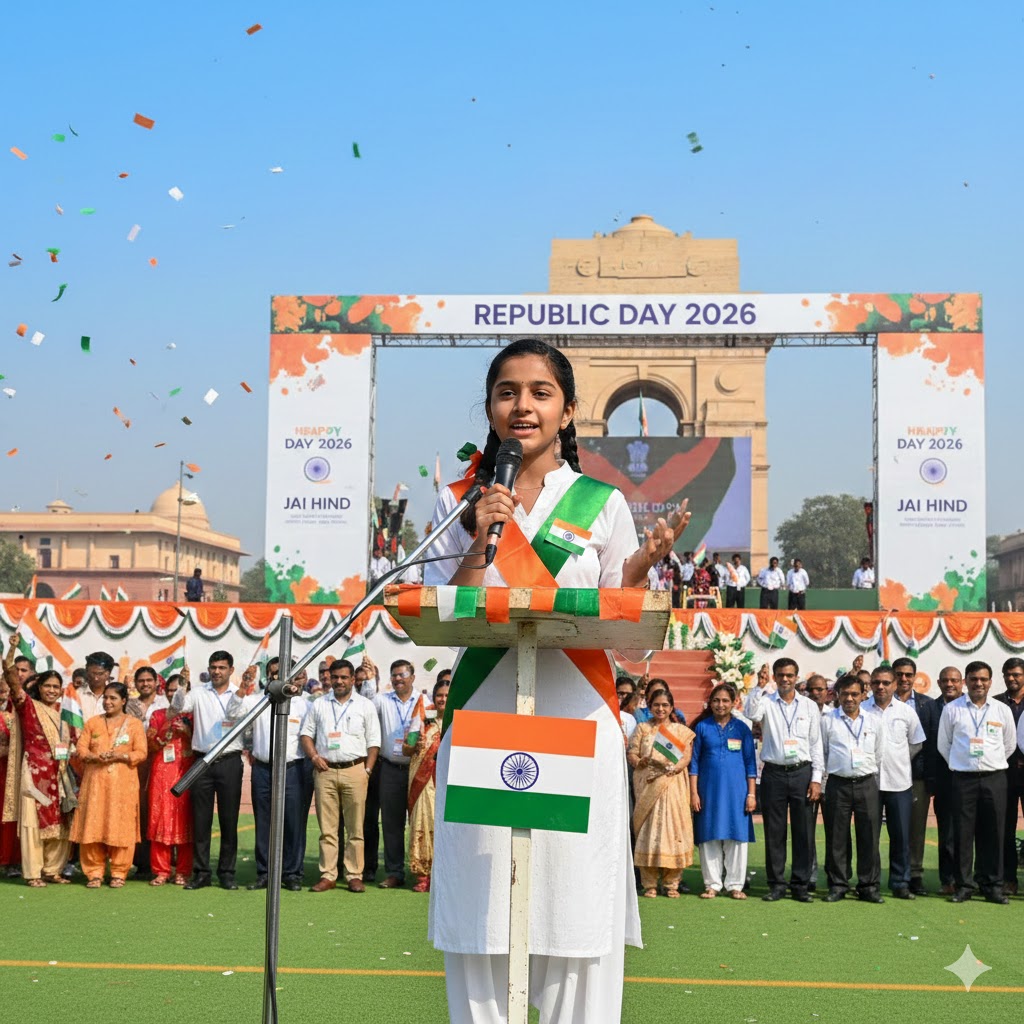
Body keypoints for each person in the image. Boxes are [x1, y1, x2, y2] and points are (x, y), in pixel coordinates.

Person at [424, 339, 685, 1024]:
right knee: (483, 909)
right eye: (507, 392)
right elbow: (442, 615)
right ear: (489, 406)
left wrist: (637, 574)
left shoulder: (601, 503)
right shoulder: (458, 500)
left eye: (541, 393)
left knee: (574, 908)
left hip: (577, 720)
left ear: (568, 411)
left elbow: (622, 630)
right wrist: (480, 536)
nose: (523, 406)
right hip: (483, 720)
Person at [938, 660, 1017, 903]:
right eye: (974, 679)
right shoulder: (952, 709)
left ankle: (992, 885)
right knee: (962, 834)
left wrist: (990, 762)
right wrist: (963, 763)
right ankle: (964, 885)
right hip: (964, 779)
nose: (978, 683)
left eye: (983, 679)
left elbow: (1009, 744)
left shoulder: (1001, 710)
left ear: (990, 682)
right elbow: (944, 744)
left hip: (995, 778)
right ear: (966, 682)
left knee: (994, 833)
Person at [745, 657, 823, 902]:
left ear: (797, 677)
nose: (785, 679)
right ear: (775, 677)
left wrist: (816, 779)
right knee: (774, 831)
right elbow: (750, 713)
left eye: (789, 675)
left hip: (802, 772)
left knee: (803, 831)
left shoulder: (809, 706)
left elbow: (816, 744)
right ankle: (776, 884)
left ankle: (800, 885)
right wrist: (759, 686)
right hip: (774, 773)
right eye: (781, 675)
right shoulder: (767, 701)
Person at [228, 657, 310, 892]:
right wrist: (244, 686)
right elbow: (233, 712)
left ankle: (292, 873)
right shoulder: (257, 701)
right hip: (263, 769)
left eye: (281, 672)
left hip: (293, 770)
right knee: (264, 823)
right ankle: (265, 872)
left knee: (293, 823)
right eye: (273, 673)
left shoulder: (304, 704)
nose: (277, 677)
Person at [170, 651, 247, 890]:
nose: (216, 672)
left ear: (231, 670)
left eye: (222, 668)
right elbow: (178, 707)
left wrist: (242, 692)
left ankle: (227, 873)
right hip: (202, 761)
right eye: (213, 667)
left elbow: (235, 714)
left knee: (229, 820)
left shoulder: (240, 694)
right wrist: (182, 684)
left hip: (229, 761)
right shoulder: (199, 693)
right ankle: (201, 873)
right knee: (200, 821)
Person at [301, 658, 379, 893]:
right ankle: (328, 874)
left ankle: (354, 874)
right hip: (325, 771)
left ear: (353, 679)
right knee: (328, 829)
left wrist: (367, 770)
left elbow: (374, 742)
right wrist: (314, 756)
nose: (339, 681)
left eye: (344, 677)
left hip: (355, 770)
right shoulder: (319, 704)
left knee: (356, 829)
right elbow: (306, 734)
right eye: (335, 677)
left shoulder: (365, 705)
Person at [3, 640, 74, 887]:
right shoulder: (28, 707)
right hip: (34, 774)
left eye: (56, 686)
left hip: (58, 774)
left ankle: (52, 870)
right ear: (39, 688)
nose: (52, 690)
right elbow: (12, 680)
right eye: (47, 686)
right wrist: (11, 651)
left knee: (60, 822)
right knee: (33, 823)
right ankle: (33, 872)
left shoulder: (63, 715)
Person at [70, 681, 148, 887]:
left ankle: (119, 873)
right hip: (95, 783)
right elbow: (81, 749)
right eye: (105, 697)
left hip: (123, 785)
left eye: (113, 698)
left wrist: (120, 756)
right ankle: (94, 872)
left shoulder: (134, 724)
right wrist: (94, 757)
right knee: (93, 825)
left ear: (123, 701)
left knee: (121, 825)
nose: (107, 702)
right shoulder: (93, 723)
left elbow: (141, 753)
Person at [820, 675, 884, 902]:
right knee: (837, 837)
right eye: (845, 694)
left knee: (869, 836)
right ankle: (838, 884)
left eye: (854, 694)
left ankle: (868, 886)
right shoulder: (828, 721)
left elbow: (878, 753)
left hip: (867, 783)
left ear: (863, 695)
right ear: (837, 695)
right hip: (838, 783)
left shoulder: (874, 721)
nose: (849, 698)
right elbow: (823, 752)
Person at [690, 683, 757, 898]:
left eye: (725, 700)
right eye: (716, 700)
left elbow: (750, 763)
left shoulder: (742, 728)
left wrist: (751, 794)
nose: (721, 705)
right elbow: (694, 763)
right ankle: (712, 884)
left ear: (734, 702)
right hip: (708, 790)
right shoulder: (702, 727)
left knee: (736, 835)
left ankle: (735, 884)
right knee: (709, 834)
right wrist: (694, 792)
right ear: (710, 703)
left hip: (737, 791)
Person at [863, 665, 925, 899]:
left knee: (901, 836)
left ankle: (900, 882)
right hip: (869, 783)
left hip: (899, 783)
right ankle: (870, 882)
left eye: (886, 683)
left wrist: (898, 759)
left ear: (895, 685)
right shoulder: (861, 710)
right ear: (870, 684)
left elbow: (916, 743)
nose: (880, 687)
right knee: (870, 837)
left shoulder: (906, 712)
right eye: (876, 682)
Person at [627, 689, 695, 898]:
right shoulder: (642, 728)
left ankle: (671, 883)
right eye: (656, 705)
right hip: (647, 785)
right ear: (649, 706)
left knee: (674, 831)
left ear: (671, 707)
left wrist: (674, 768)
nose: (661, 709)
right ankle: (649, 884)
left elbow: (686, 757)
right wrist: (640, 762)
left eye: (665, 705)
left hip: (672, 785)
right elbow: (632, 753)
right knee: (648, 832)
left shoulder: (680, 731)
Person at [367, 660, 419, 888]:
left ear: (412, 677)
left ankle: (423, 870)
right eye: (394, 675)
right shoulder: (383, 700)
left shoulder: (424, 701)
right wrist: (370, 679)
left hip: (418, 769)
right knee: (391, 824)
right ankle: (395, 872)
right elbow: (365, 705)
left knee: (421, 820)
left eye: (402, 675)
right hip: (390, 768)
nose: (398, 679)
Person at [891, 656, 939, 895]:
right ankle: (880, 875)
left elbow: (931, 744)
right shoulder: (878, 701)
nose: (904, 679)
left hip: (916, 776)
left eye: (908, 675)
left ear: (914, 677)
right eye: (899, 674)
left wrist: (930, 778)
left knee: (916, 828)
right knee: (886, 828)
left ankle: (916, 874)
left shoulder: (927, 705)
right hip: (886, 776)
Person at [405, 678, 449, 892]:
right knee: (423, 823)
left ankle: (445, 874)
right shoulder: (423, 720)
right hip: (423, 784)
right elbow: (406, 748)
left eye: (447, 696)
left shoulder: (457, 721)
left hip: (447, 783)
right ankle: (423, 875)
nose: (443, 699)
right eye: (439, 695)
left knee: (445, 827)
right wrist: (416, 745)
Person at [145, 699, 194, 885]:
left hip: (185, 771)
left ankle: (183, 870)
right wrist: (167, 724)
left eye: (179, 692)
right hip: (161, 773)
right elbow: (151, 743)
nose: (175, 696)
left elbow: (202, 743)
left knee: (185, 819)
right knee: (160, 819)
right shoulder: (158, 715)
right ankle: (161, 871)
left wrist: (187, 732)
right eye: (172, 691)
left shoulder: (193, 716)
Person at [128, 664, 169, 880]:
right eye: (141, 681)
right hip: (135, 764)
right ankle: (141, 862)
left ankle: (162, 863)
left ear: (156, 682)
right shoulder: (128, 705)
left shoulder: (165, 703)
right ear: (135, 684)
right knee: (138, 811)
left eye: (148, 680)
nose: (145, 684)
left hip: (160, 762)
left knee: (159, 810)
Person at [933, 666, 964, 894]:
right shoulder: (930, 708)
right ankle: (948, 879)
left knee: (976, 832)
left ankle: (976, 878)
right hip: (944, 780)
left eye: (954, 680)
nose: (949, 684)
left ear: (962, 682)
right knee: (948, 833)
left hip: (975, 778)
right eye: (945, 680)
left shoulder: (974, 707)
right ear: (939, 683)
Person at [995, 657, 1024, 896]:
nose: (1011, 678)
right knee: (1005, 828)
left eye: (1016, 674)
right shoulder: (995, 703)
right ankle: (1008, 878)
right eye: (1008, 674)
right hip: (1003, 773)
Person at [0, 674, 21, 876]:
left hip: (10, 772)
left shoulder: (15, 715)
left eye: (7, 691)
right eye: (1, 691)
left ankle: (10, 860)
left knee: (9, 815)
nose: (4, 695)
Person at [79, 651, 116, 723]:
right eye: (93, 673)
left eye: (100, 674)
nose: (96, 678)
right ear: (87, 671)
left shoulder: (116, 696)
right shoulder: (77, 695)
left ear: (108, 673)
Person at [616, 677, 638, 744]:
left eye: (629, 694)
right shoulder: (609, 715)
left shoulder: (640, 717)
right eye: (621, 693)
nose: (625, 697)